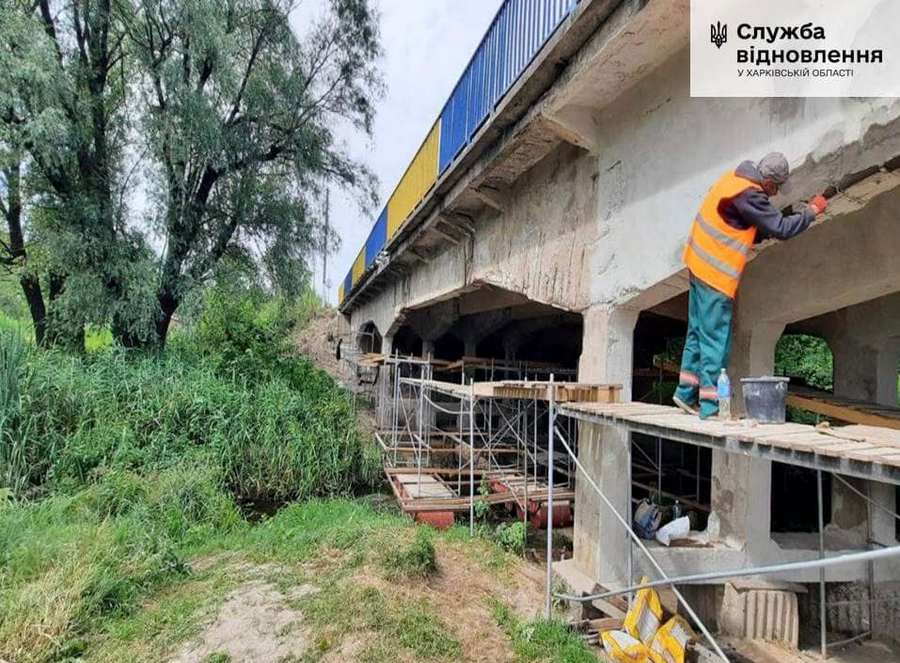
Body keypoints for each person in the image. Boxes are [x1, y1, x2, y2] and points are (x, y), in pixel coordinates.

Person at [673, 153, 828, 419]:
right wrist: (811, 212)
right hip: (715, 274)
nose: (776, 194)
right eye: (776, 188)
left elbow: (743, 224)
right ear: (768, 182)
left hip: (697, 261)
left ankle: (685, 393)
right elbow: (781, 228)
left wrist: (767, 223)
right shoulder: (751, 195)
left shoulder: (733, 179)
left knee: (698, 331)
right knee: (715, 339)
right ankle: (710, 407)